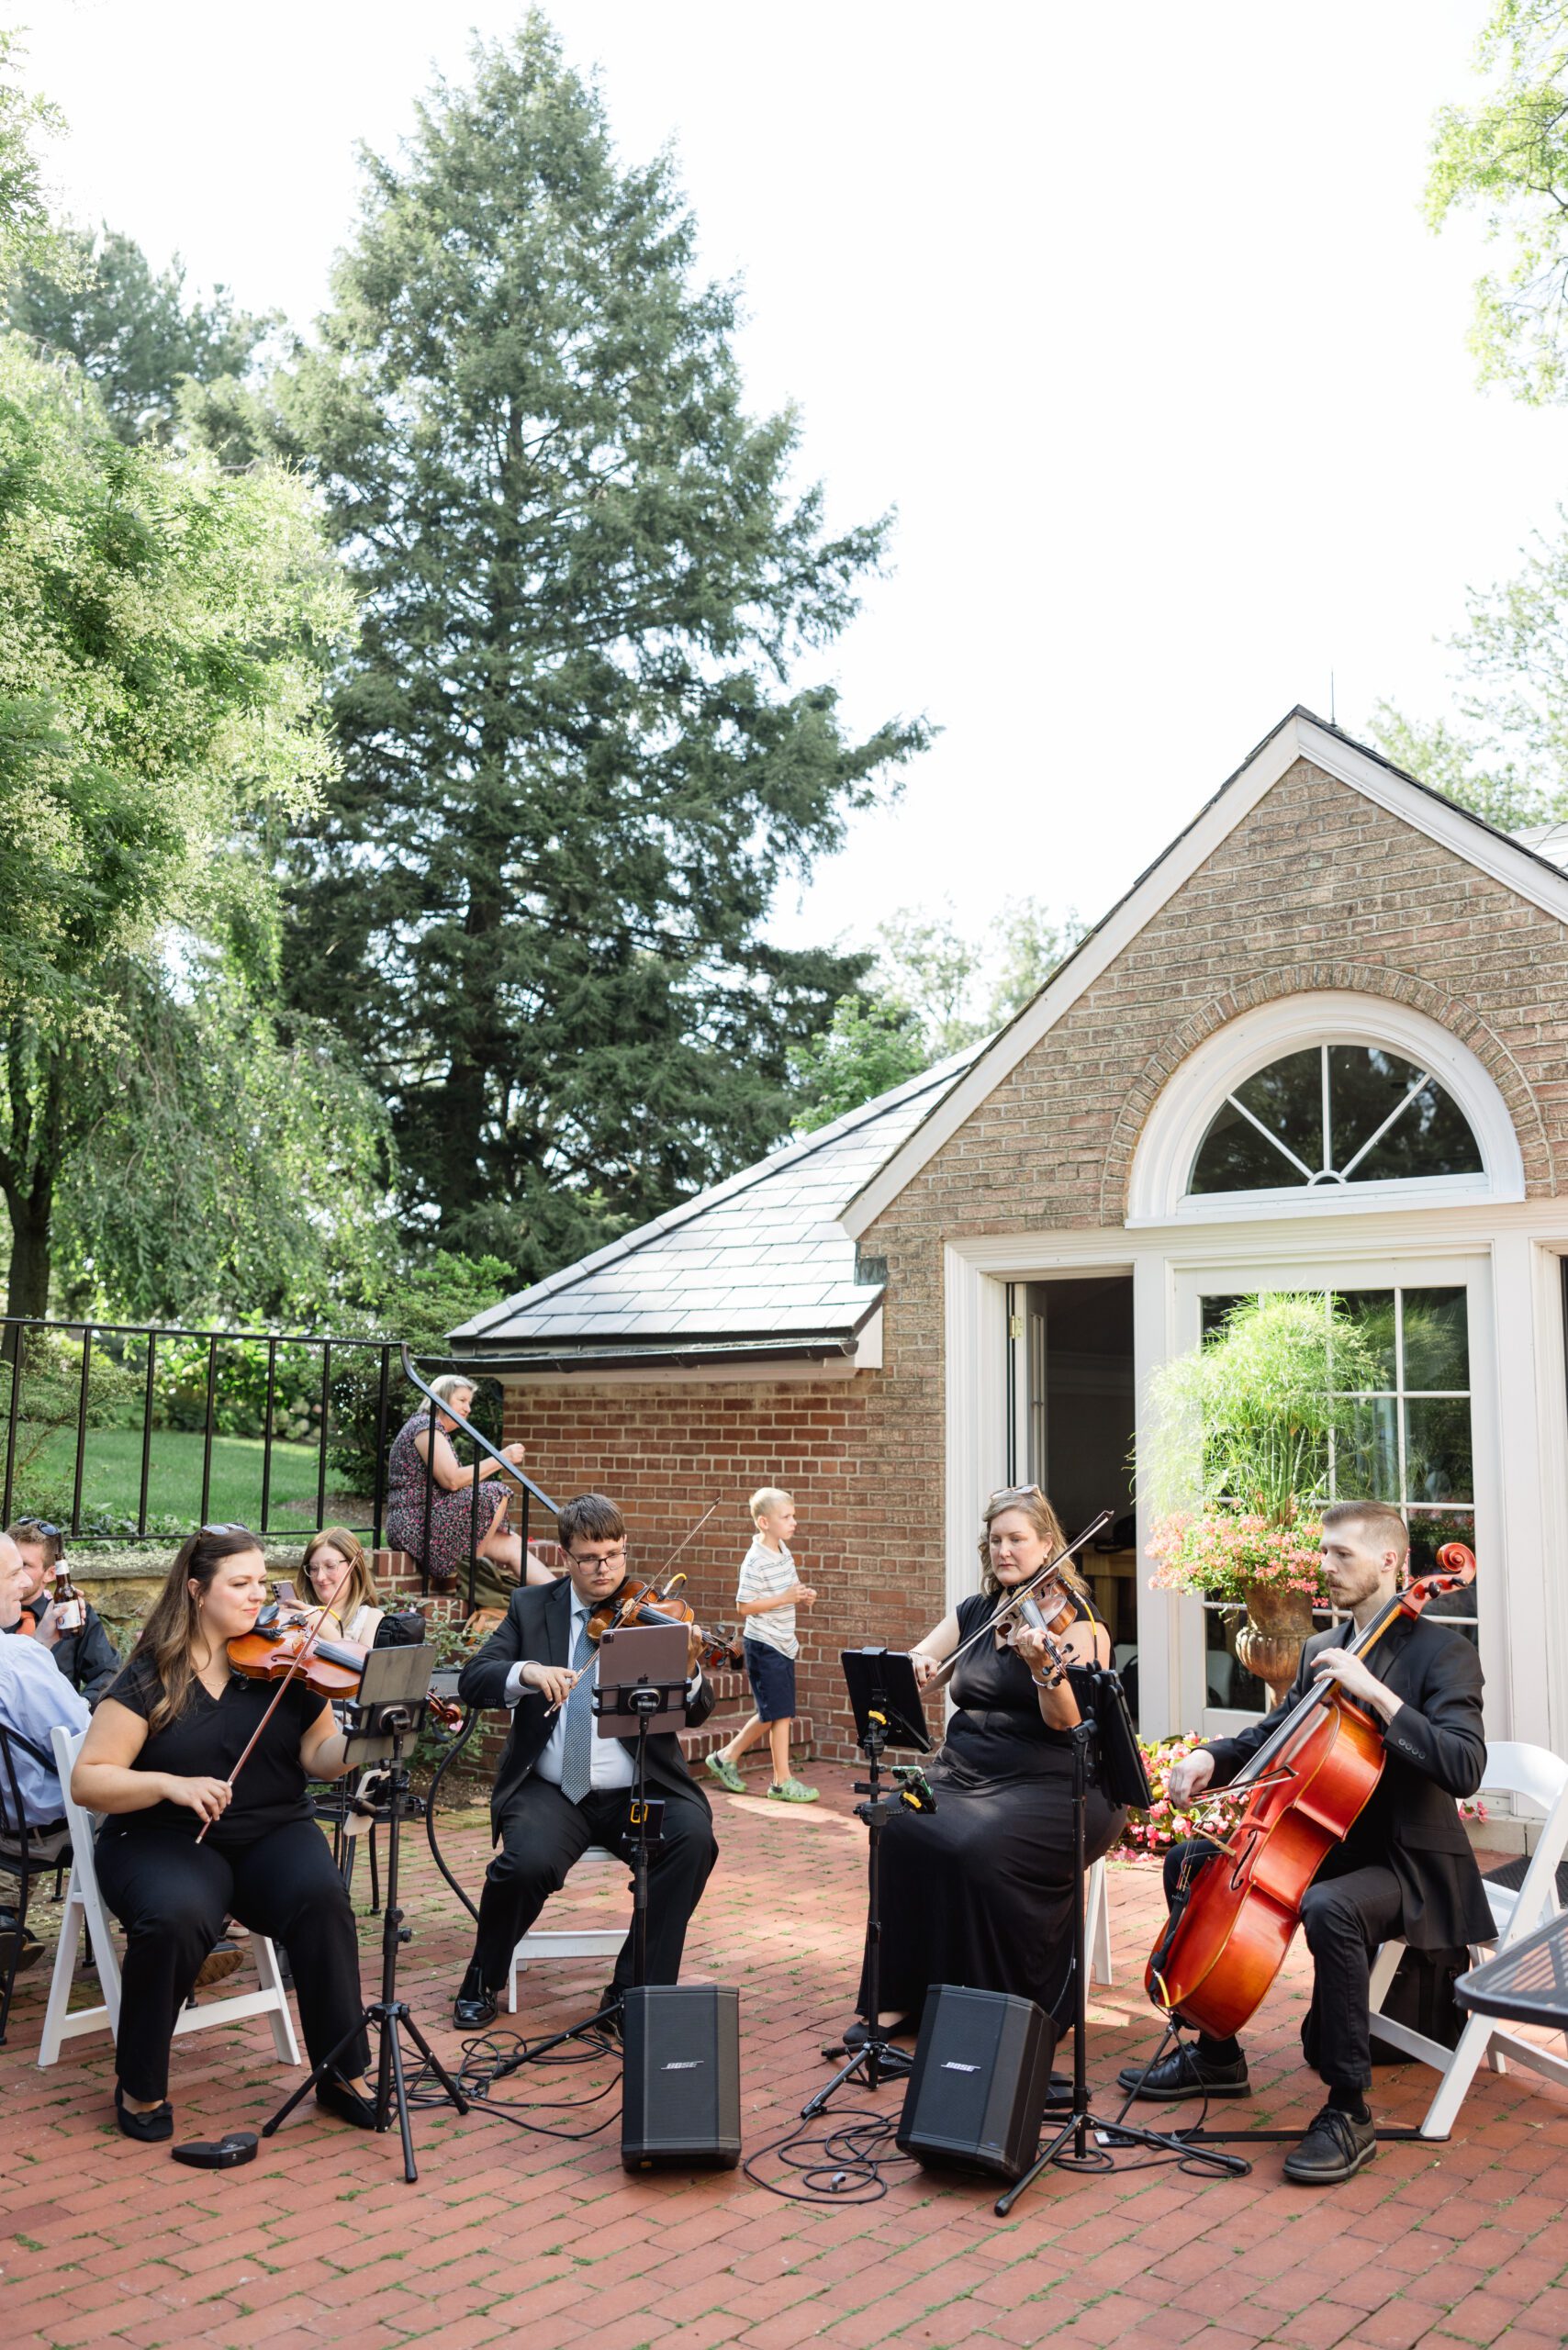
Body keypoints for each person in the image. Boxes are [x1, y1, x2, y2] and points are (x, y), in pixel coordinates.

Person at [1118, 1500, 1494, 2187]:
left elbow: (1465, 1766)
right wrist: (1213, 1758)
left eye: (1340, 1555)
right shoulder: (1325, 1649)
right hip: (1329, 1841)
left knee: (1330, 1907)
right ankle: (1218, 2052)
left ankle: (1349, 2111)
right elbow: (1276, 1736)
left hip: (1407, 1860)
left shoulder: (1446, 1654)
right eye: (1323, 1553)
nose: (1324, 1567)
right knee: (1189, 1860)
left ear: (1390, 1560)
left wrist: (1377, 1695)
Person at [71, 1524, 377, 2144]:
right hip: (162, 1837)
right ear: (195, 1590)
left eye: (261, 1581)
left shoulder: (286, 1664)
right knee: (177, 1915)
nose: (258, 1595)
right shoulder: (152, 1674)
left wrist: (370, 1739)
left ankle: (342, 2072)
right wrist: (169, 1784)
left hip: (271, 1831)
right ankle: (140, 2082)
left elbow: (320, 1754)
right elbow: (90, 1780)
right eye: (240, 1583)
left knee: (322, 1901)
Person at [846, 1484, 1126, 2063]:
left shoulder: (1079, 1625)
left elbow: (1065, 1725)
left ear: (1047, 1544)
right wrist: (919, 1665)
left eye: (1017, 1539)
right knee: (895, 1824)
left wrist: (1044, 1666)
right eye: (996, 1539)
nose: (1004, 1550)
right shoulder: (977, 1612)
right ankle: (905, 1996)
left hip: (1056, 1783)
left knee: (974, 1847)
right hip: (966, 1773)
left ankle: (1004, 2006)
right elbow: (923, 1660)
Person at [452, 1493, 719, 2029]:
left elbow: (695, 1714)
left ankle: (631, 1994)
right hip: (551, 1788)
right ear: (567, 1556)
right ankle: (483, 1976)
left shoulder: (653, 1615)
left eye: (616, 1555)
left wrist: (688, 1670)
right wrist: (526, 1673)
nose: (606, 1569)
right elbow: (473, 1679)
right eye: (592, 1558)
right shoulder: (531, 1607)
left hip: (639, 1789)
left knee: (693, 1841)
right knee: (523, 1865)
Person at [0, 1529, 91, 1976]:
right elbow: (86, 1744)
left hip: (4, 1823)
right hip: (49, 1826)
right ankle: (194, 1934)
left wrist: (43, 1647)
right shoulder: (17, 1658)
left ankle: (4, 1919)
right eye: (15, 1573)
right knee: (158, 1803)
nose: (24, 1585)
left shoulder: (21, 1656)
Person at [385, 1375, 554, 1603]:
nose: (468, 1408)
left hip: (435, 1521)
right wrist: (502, 1458)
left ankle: (568, 1599)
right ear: (441, 1399)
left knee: (512, 1544)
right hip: (414, 1522)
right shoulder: (424, 1427)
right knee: (496, 1492)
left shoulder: (433, 1429)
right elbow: (452, 1480)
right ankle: (472, 1574)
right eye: (462, 1400)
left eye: (469, 1402)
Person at [703, 1486, 819, 1802]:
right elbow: (744, 1606)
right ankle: (782, 1781)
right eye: (786, 1517)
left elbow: (788, 1588)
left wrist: (801, 1594)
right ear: (764, 1522)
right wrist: (785, 1598)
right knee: (779, 1713)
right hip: (764, 1644)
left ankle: (725, 1757)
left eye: (793, 1515)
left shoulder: (782, 1550)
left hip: (783, 1643)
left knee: (773, 1712)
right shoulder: (754, 1561)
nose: (794, 1521)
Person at [6, 1516, 121, 1705]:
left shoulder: (70, 1613)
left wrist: (80, 1707)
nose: (18, 1576)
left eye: (25, 1566)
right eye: (12, 1565)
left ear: (51, 1573)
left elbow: (107, 1672)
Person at [301, 1527, 386, 1647]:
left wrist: (323, 1628)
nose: (320, 1577)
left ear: (354, 1568)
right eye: (314, 1568)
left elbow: (361, 1663)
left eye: (330, 1566)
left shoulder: (370, 1618)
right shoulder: (300, 1609)